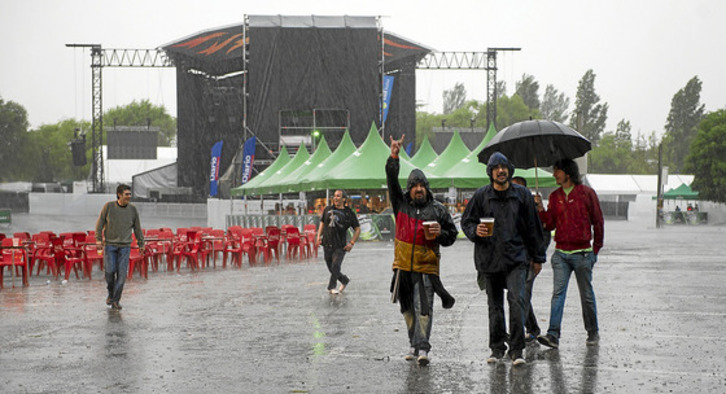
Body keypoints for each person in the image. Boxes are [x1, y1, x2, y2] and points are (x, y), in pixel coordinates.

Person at [461, 152, 545, 366]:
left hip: (516, 259)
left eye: (504, 166)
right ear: (490, 172)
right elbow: (466, 222)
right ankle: (497, 348)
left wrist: (538, 257)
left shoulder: (522, 195)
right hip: (489, 260)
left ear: (509, 170)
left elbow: (534, 228)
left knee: (517, 301)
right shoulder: (481, 196)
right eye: (496, 167)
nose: (500, 170)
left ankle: (517, 350)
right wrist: (474, 231)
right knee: (495, 306)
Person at [386, 135, 458, 367]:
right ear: (409, 189)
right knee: (407, 309)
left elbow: (452, 236)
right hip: (402, 267)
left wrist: (440, 233)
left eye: (422, 185)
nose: (418, 189)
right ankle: (413, 343)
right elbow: (391, 180)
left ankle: (423, 348)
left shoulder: (438, 210)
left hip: (426, 268)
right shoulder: (401, 205)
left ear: (427, 188)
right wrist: (394, 157)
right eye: (414, 186)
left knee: (423, 309)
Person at [534, 158, 604, 349]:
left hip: (583, 254)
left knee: (586, 295)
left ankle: (592, 331)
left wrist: (595, 250)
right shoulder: (555, 197)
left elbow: (598, 222)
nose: (554, 174)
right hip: (561, 255)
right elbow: (549, 224)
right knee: (558, 294)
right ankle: (553, 335)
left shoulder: (587, 194)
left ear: (568, 173)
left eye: (557, 171)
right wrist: (540, 208)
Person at [511, 175, 552, 342]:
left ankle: (517, 336)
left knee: (523, 295)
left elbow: (545, 234)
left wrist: (538, 258)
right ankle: (533, 327)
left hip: (529, 259)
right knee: (519, 295)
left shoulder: (533, 208)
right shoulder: (509, 207)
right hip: (513, 259)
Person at [95, 184, 144, 310]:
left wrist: (141, 244)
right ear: (119, 195)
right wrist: (98, 240)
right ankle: (111, 294)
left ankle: (116, 301)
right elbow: (99, 224)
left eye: (129, 194)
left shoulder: (132, 210)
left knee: (122, 276)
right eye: (126, 194)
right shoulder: (109, 207)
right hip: (110, 245)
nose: (129, 196)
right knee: (110, 273)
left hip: (125, 247)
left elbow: (137, 228)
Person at [316, 190, 361, 294]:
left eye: (338, 196)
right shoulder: (328, 209)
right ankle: (344, 280)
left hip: (340, 246)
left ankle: (331, 287)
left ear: (344, 199)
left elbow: (357, 229)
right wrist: (318, 236)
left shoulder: (348, 213)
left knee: (336, 265)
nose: (335, 198)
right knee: (331, 268)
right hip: (326, 243)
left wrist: (351, 243)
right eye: (334, 196)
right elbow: (322, 223)